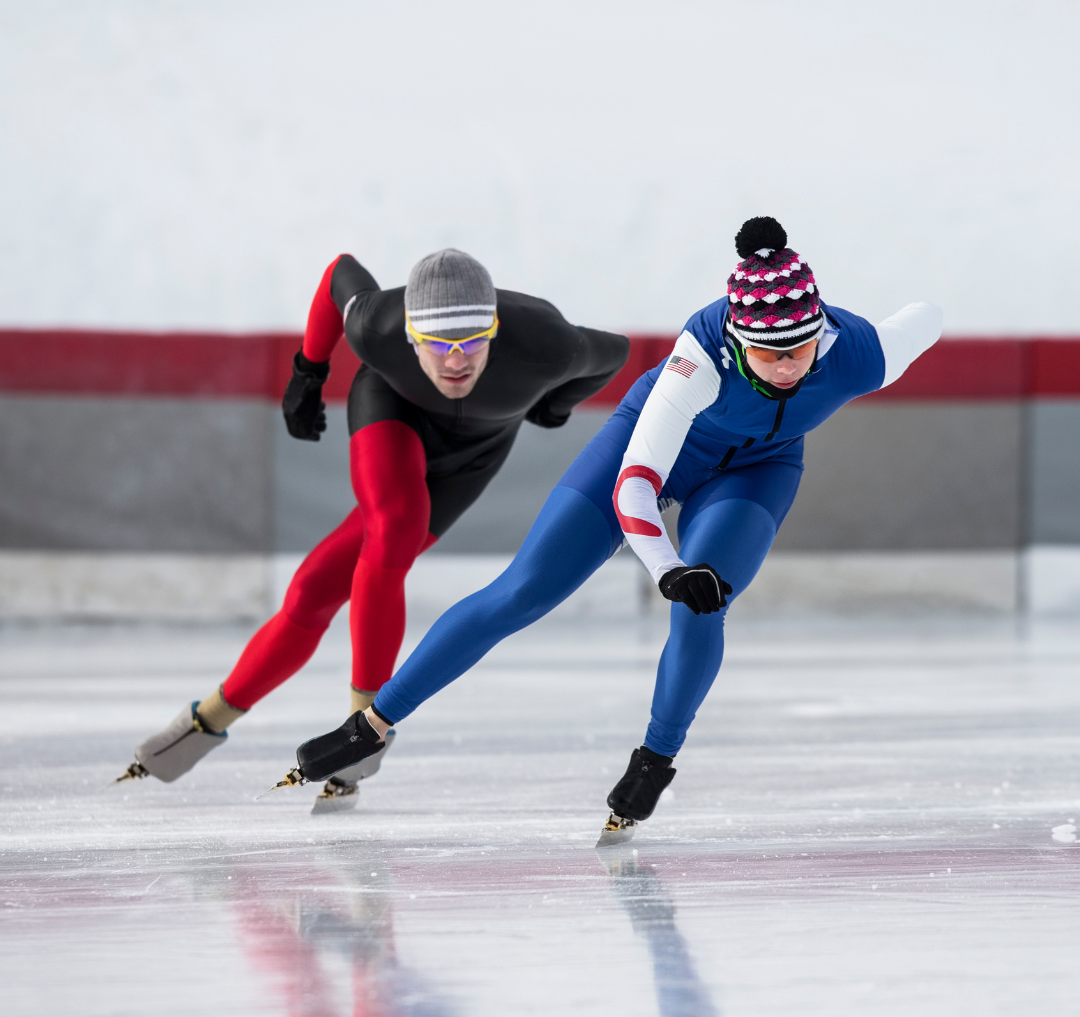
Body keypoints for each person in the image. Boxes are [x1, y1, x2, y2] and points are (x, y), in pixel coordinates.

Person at [280, 217, 943, 840]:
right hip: (650, 450)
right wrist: (665, 568)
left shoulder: (858, 354)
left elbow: (926, 318)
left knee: (705, 605)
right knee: (525, 590)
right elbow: (636, 487)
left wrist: (691, 579)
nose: (788, 368)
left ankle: (656, 760)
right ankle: (372, 724)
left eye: (800, 350)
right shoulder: (698, 361)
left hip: (758, 470)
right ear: (738, 341)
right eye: (768, 355)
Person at [118, 249, 629, 810]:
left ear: (496, 330)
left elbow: (616, 354)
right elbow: (339, 270)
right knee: (391, 530)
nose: (454, 362)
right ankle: (346, 729)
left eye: (472, 342)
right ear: (409, 336)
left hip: (473, 457)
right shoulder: (375, 324)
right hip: (392, 409)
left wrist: (558, 404)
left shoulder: (546, 343)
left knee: (317, 586)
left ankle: (237, 726)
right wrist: (307, 372)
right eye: (436, 344)